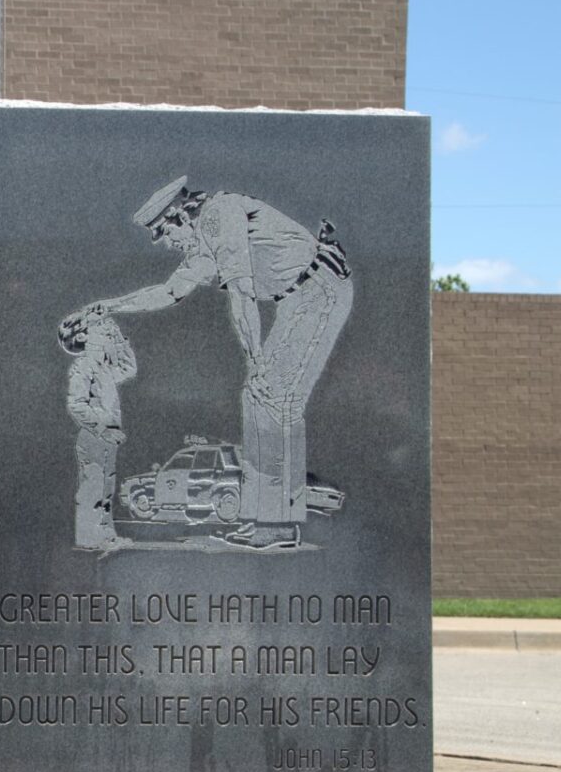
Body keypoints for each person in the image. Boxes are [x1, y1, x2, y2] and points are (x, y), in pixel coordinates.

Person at [63, 177, 352, 549]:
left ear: (181, 215)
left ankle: (276, 524)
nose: (169, 243)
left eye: (166, 234)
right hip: (300, 299)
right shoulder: (204, 246)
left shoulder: (218, 216)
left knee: (268, 396)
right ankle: (271, 520)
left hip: (317, 290)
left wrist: (255, 359)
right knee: (266, 399)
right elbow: (169, 292)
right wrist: (110, 305)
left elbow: (242, 294)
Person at [61, 309, 136, 549]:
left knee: (106, 487)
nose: (106, 328)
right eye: (99, 326)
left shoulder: (104, 369)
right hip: (94, 436)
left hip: (108, 438)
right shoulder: (83, 367)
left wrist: (119, 338)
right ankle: (88, 538)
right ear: (83, 337)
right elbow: (76, 405)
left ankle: (104, 535)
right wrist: (103, 428)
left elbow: (128, 368)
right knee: (92, 487)